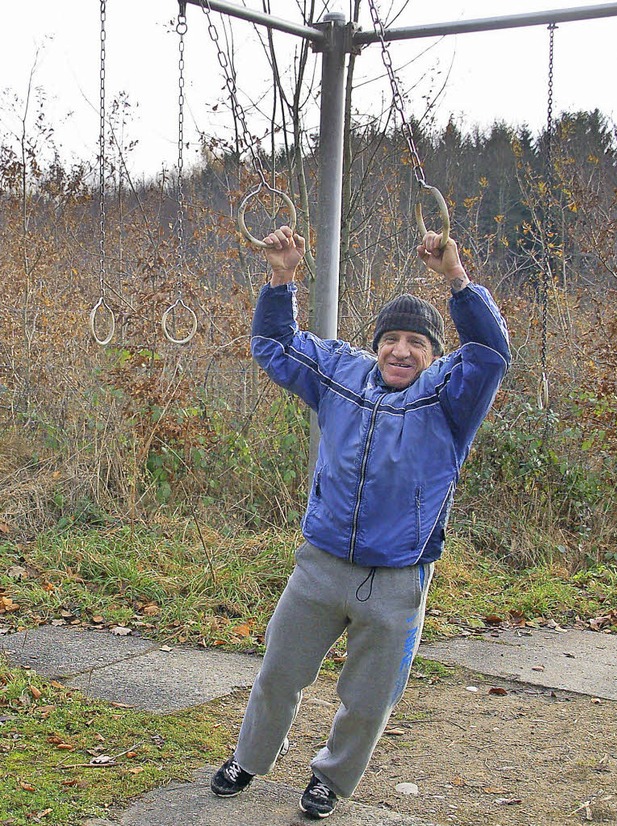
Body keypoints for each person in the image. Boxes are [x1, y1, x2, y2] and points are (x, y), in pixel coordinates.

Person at [211, 225, 510, 819]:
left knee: (368, 700)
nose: (401, 351)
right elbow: (275, 345)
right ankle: (249, 757)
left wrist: (456, 280)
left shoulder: (450, 398)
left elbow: (491, 352)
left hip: (396, 581)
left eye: (416, 343)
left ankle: (330, 779)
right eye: (391, 339)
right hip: (319, 566)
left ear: (434, 354)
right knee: (279, 671)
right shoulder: (342, 377)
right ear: (376, 346)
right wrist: (281, 277)